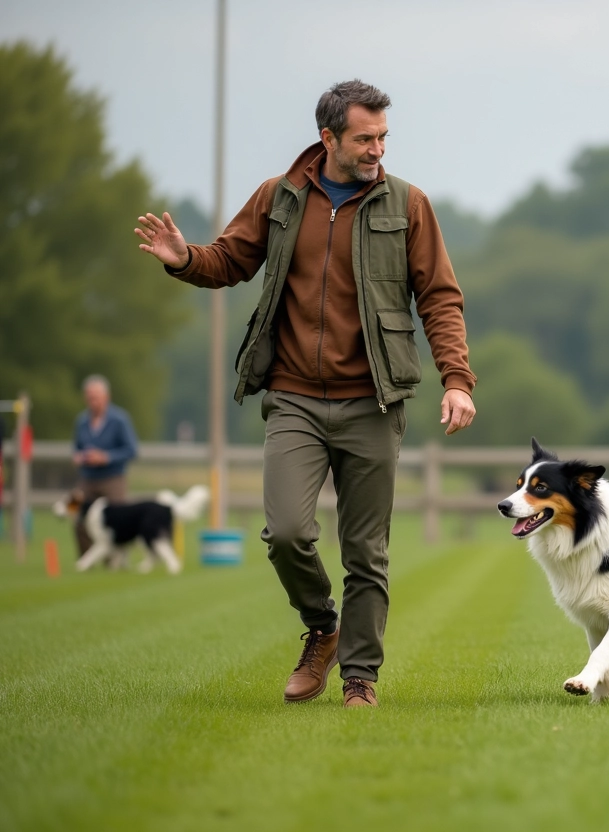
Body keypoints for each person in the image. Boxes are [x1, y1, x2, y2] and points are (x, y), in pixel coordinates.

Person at [134, 79, 476, 708]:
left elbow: (439, 298)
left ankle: (359, 678)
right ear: (328, 138)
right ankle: (322, 627)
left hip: (373, 400)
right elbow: (229, 261)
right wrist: (183, 259)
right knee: (287, 532)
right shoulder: (279, 197)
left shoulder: (409, 204)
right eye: (365, 138)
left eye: (383, 137)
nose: (377, 150)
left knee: (366, 553)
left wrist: (457, 379)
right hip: (293, 395)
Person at [71, 375, 138, 557]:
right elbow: (76, 447)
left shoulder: (120, 419)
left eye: (96, 397)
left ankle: (115, 561)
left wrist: (106, 457)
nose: (93, 402)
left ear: (107, 397)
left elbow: (132, 450)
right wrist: (78, 457)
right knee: (74, 512)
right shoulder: (81, 420)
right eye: (90, 398)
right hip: (86, 478)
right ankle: (85, 559)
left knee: (118, 521)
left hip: (113, 478)